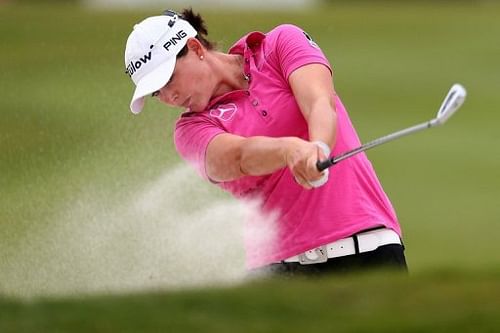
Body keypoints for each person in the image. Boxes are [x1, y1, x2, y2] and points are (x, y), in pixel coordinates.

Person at [124, 9, 408, 276]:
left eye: (169, 79)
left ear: (196, 48)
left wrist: (319, 147)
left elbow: (319, 102)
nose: (168, 96)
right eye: (156, 92)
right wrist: (290, 150)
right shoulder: (190, 130)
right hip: (281, 274)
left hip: (368, 247)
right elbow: (238, 157)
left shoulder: (279, 44)